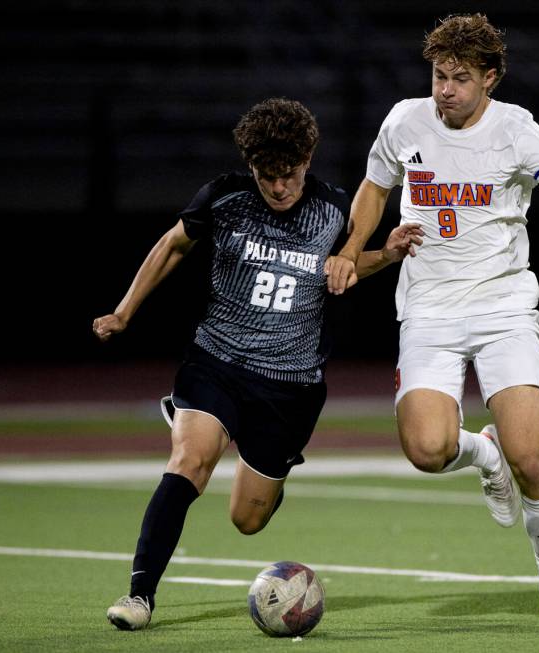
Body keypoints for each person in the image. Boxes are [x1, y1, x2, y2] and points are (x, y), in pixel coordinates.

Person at [93, 97, 422, 631]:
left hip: (289, 385)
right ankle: (139, 596)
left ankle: (262, 464)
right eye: (266, 176)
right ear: (251, 166)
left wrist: (384, 254)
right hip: (217, 360)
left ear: (308, 158)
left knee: (248, 520)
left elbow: (346, 264)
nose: (277, 188)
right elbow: (174, 245)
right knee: (190, 463)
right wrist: (125, 311)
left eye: (287, 175)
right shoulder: (224, 198)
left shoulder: (334, 209)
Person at [326, 14, 539, 625]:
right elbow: (375, 188)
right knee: (427, 451)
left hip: (504, 306)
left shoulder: (515, 130)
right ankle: (483, 456)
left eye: (459, 78)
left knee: (531, 458)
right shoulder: (406, 120)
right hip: (427, 309)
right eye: (438, 75)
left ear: (489, 78)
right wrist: (352, 249)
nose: (444, 89)